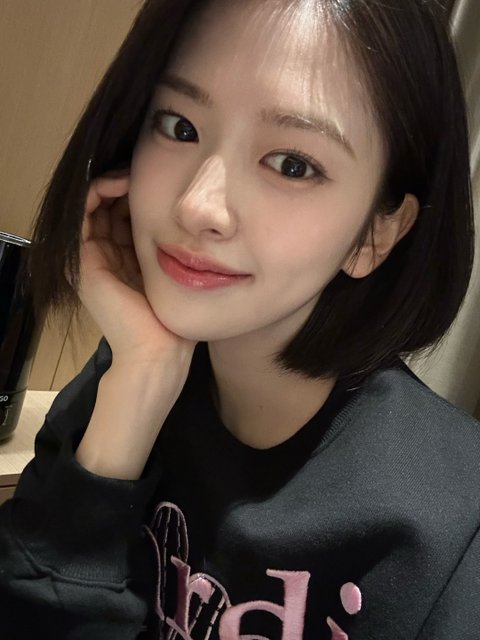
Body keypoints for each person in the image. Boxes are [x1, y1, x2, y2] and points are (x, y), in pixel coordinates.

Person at [0, 0, 478, 637]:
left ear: (376, 234)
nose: (198, 206)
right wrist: (139, 384)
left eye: (292, 164)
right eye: (178, 125)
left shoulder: (451, 531)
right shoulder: (130, 370)